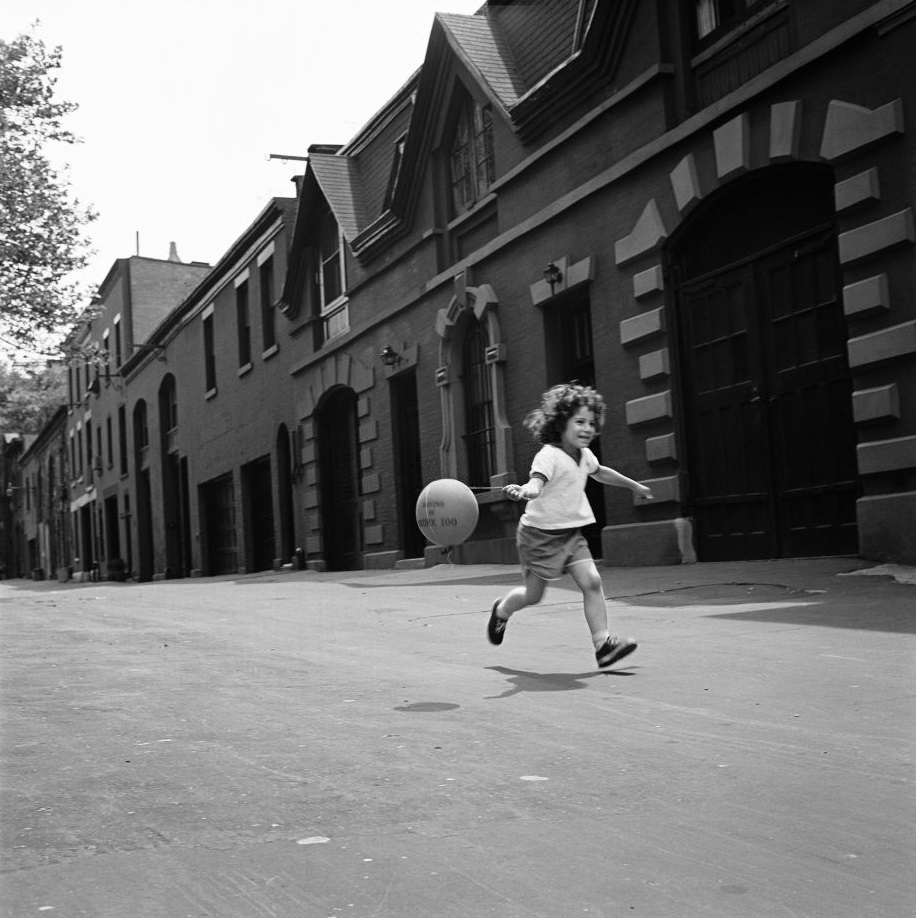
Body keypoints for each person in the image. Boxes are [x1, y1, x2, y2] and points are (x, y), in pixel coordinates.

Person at [487, 382, 654, 668]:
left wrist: (633, 485)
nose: (588, 428)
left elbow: (600, 472)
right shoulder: (549, 456)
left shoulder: (585, 455)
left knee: (592, 581)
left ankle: (603, 645)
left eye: (591, 422)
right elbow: (536, 483)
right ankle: (502, 611)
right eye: (580, 422)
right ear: (561, 422)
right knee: (533, 595)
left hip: (571, 535)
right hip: (538, 536)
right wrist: (526, 491)